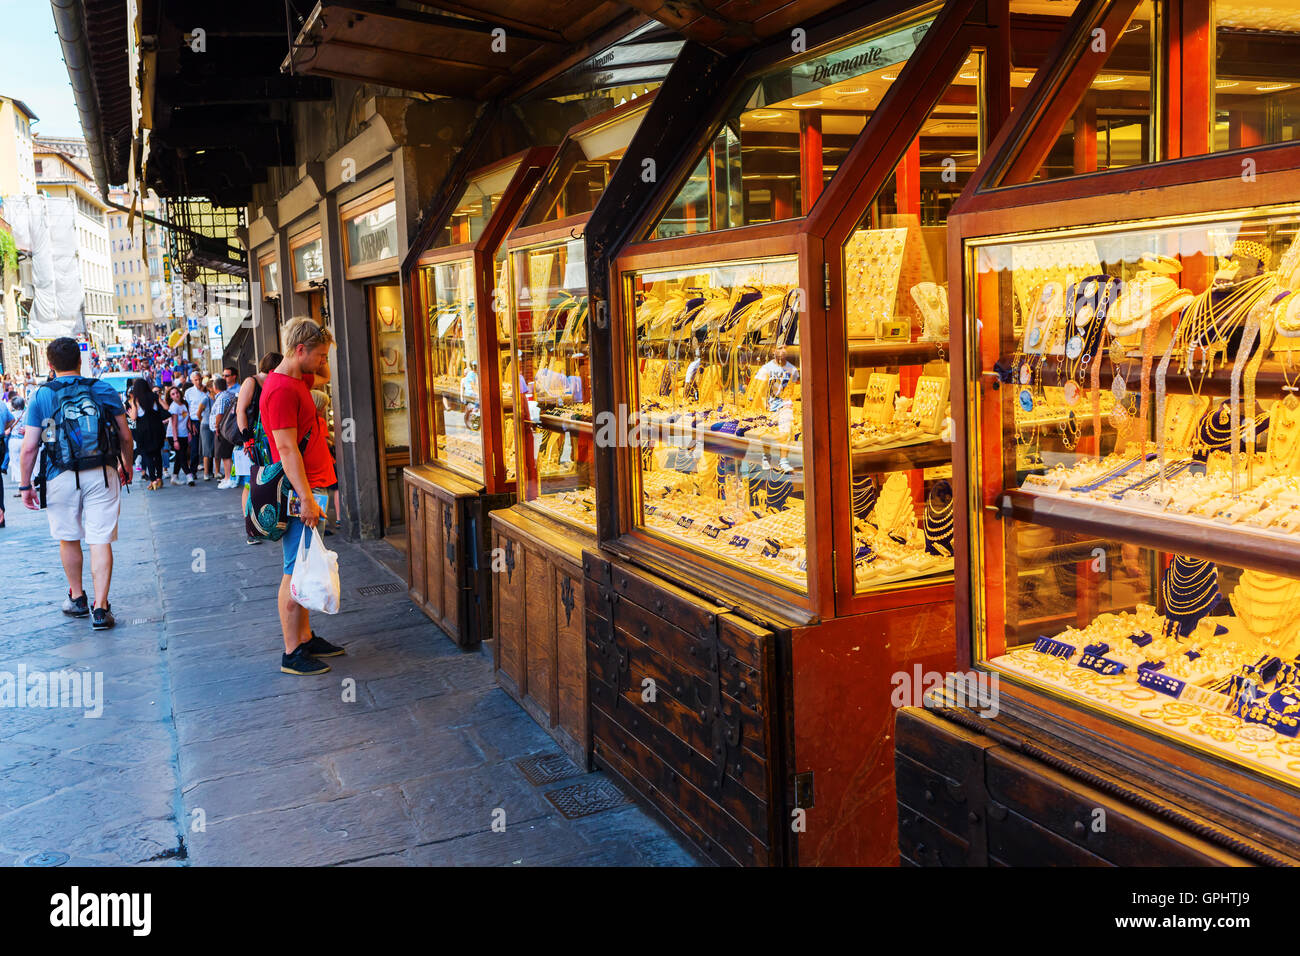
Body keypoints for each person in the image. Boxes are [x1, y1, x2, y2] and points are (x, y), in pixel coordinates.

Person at [19, 337, 132, 630]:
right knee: (100, 538)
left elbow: (30, 446)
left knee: (68, 537)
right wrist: (127, 465)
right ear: (80, 361)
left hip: (59, 474)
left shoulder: (41, 395)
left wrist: (25, 485)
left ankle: (78, 597)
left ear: (49, 364)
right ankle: (101, 607)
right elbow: (125, 436)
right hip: (102, 471)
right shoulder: (103, 388)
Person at [262, 318, 344, 675]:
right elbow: (286, 449)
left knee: (307, 562)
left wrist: (319, 336)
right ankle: (291, 651)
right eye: (319, 354)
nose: (323, 361)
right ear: (300, 351)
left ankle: (306, 637)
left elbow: (323, 373)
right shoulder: (281, 389)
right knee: (294, 568)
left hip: (313, 484)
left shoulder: (300, 378)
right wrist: (307, 499)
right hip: (302, 489)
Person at [236, 351, 280, 544]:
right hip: (253, 442)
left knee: (266, 481)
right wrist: (247, 439)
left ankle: (268, 521)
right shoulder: (251, 382)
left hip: (270, 440)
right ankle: (251, 527)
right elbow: (241, 410)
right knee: (250, 482)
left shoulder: (274, 382)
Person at [310, 389, 340, 536]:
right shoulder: (317, 421)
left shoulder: (306, 422)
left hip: (313, 476)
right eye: (322, 406)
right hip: (319, 475)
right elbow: (323, 441)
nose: (324, 409)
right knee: (318, 520)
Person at [128, 378, 167, 491]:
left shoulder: (136, 400)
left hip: (143, 431)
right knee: (157, 454)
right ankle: (159, 478)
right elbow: (166, 407)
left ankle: (153, 480)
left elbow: (134, 417)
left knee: (148, 455)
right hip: (157, 428)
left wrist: (130, 413)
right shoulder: (154, 397)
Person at [213, 368, 239, 488]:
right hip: (228, 428)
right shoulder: (229, 394)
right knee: (227, 454)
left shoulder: (223, 397)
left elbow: (220, 414)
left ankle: (229, 477)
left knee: (225, 454)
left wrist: (217, 426)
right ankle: (229, 477)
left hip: (223, 429)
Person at [167, 385, 194, 486]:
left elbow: (187, 419)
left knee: (179, 456)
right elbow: (174, 425)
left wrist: (190, 431)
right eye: (173, 394)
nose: (176, 395)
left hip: (183, 434)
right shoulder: (173, 407)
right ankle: (189, 475)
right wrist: (175, 440)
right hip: (173, 435)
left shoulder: (184, 404)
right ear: (171, 397)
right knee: (182, 455)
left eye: (177, 393)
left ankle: (174, 477)